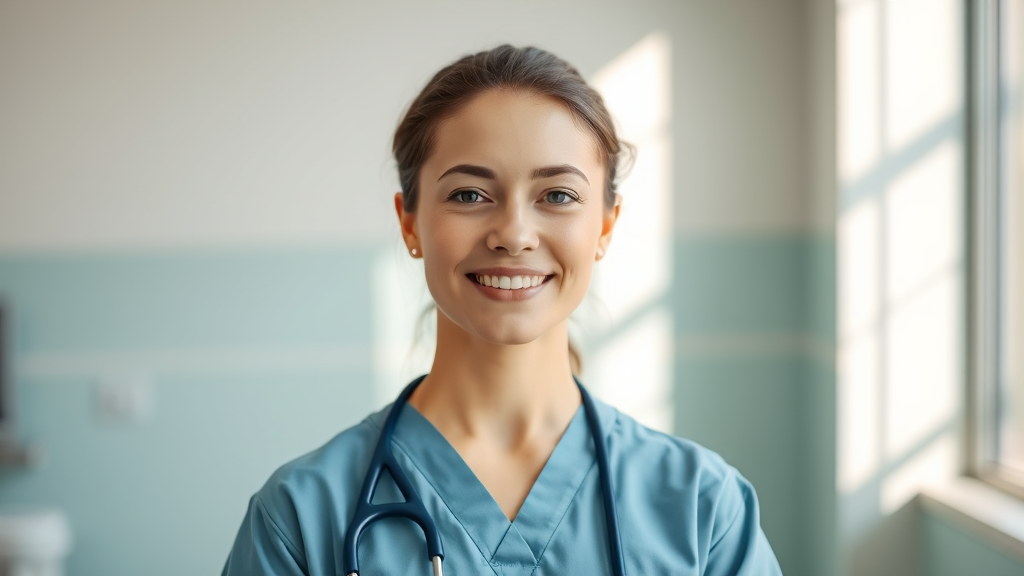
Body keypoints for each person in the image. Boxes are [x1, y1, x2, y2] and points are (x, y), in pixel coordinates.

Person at [222, 45, 783, 576]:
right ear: (410, 223)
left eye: (557, 195)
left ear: (605, 226)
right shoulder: (300, 518)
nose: (514, 234)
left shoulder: (706, 511)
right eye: (469, 194)